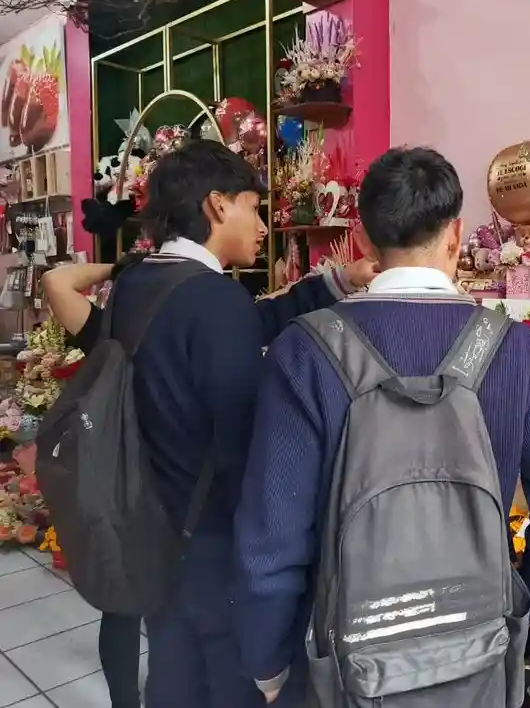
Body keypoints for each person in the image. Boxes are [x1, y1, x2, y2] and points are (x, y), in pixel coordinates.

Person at [234, 146, 530, 705]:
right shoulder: (516, 350)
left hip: (346, 664)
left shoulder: (303, 351)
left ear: (361, 239)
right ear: (456, 234)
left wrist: (268, 663)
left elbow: (271, 539)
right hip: (477, 654)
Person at [41, 140, 377, 708]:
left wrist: (336, 281)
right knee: (227, 682)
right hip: (213, 545)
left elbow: (242, 322)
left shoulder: (141, 287)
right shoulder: (214, 300)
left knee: (173, 672)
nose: (264, 225)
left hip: (154, 525)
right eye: (255, 207)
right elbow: (249, 444)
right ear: (219, 205)